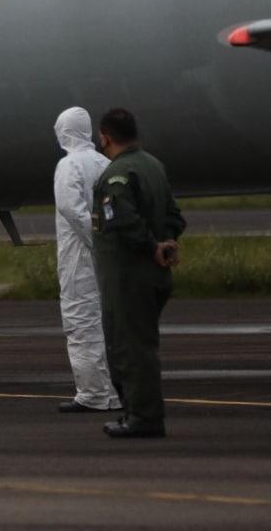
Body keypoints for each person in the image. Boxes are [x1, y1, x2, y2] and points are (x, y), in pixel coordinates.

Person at [92, 108, 185, 439]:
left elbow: (121, 218)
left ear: (105, 136)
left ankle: (143, 417)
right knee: (141, 345)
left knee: (130, 349)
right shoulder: (153, 165)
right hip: (156, 277)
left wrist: (150, 247)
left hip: (130, 277)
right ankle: (139, 413)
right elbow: (175, 214)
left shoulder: (117, 173)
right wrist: (168, 240)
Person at [52, 108, 120, 414]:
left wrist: (95, 242)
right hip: (109, 256)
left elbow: (71, 209)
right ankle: (115, 392)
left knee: (81, 323)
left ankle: (93, 393)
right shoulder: (106, 163)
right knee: (109, 323)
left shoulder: (68, 166)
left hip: (80, 256)